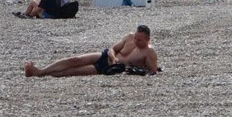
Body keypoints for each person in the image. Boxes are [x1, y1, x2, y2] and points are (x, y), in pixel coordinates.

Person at [24, 25, 158, 77]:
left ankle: (43, 74)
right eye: (136, 38)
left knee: (74, 71)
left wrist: (135, 70)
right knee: (75, 60)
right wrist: (112, 56)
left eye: (140, 40)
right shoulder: (129, 37)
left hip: (110, 68)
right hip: (106, 56)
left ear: (147, 39)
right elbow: (113, 48)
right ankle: (41, 71)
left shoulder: (149, 52)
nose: (136, 41)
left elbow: (152, 71)